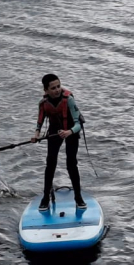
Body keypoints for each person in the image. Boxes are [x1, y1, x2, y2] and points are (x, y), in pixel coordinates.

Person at [31, 73, 85, 212]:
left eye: (58, 86)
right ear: (46, 90)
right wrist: (36, 135)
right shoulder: (43, 103)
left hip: (72, 129)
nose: (57, 90)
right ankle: (45, 197)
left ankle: (78, 197)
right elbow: (40, 122)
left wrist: (69, 132)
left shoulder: (69, 100)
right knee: (50, 163)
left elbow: (79, 124)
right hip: (55, 130)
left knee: (71, 164)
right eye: (53, 88)